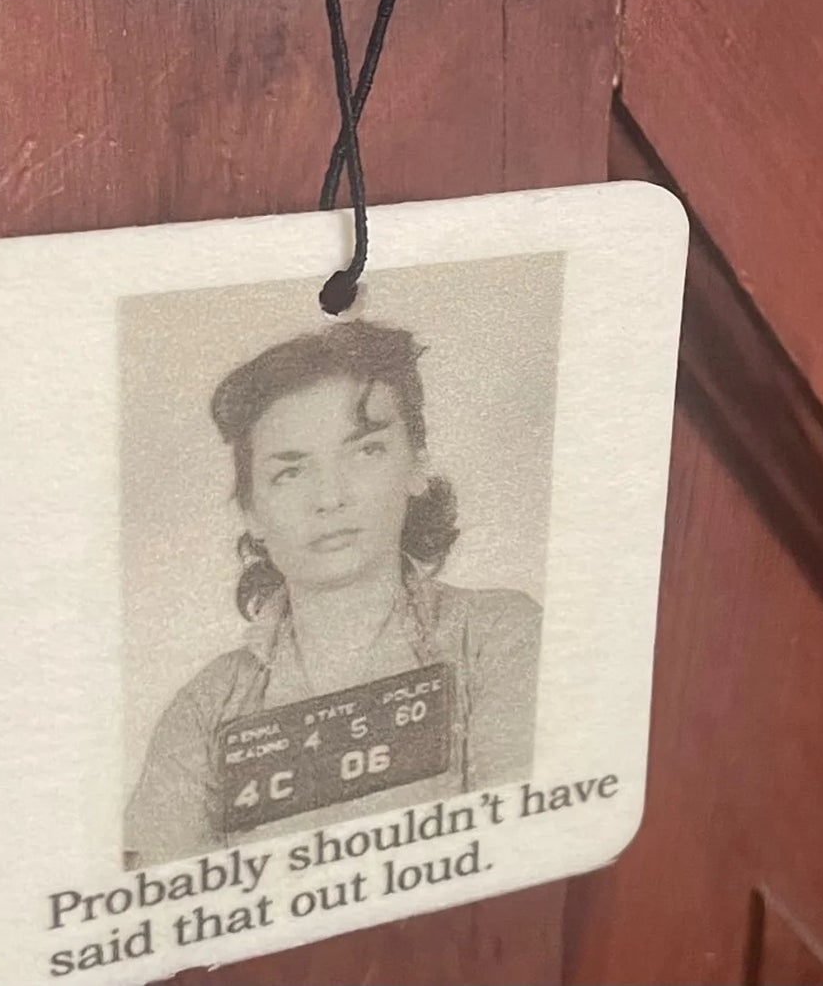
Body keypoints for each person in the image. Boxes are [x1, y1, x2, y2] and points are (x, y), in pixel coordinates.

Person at [124, 320, 541, 867]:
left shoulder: (497, 638)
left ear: (416, 466)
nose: (329, 497)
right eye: (291, 472)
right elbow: (165, 898)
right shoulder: (205, 711)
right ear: (251, 512)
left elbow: (515, 853)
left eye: (364, 451)